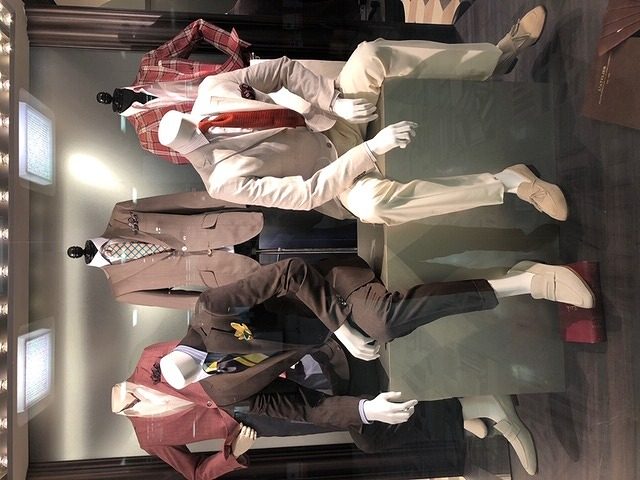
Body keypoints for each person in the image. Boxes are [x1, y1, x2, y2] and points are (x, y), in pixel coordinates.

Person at [160, 254, 596, 476]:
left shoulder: (211, 310)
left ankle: (528, 281)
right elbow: (306, 409)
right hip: (334, 355)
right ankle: (483, 406)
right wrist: (366, 410)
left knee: (384, 321)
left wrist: (342, 329)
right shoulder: (226, 394)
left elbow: (292, 272)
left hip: (334, 295)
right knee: (369, 435)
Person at [157, 7, 562, 226]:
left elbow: (281, 70)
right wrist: (370, 150)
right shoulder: (223, 183)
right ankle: (510, 182)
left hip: (333, 119)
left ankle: (495, 58)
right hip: (339, 179)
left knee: (370, 55)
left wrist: (333, 101)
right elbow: (308, 194)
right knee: (376, 208)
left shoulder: (213, 91)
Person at [96, 19, 250, 164]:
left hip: (240, 77)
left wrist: (236, 51)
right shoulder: (147, 137)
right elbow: (199, 157)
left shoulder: (150, 65)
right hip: (242, 121)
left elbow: (197, 28)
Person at [111, 341, 255, 480]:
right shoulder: (148, 438)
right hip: (250, 421)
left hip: (244, 374)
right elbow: (196, 473)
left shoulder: (150, 358)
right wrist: (234, 452)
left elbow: (206, 345)